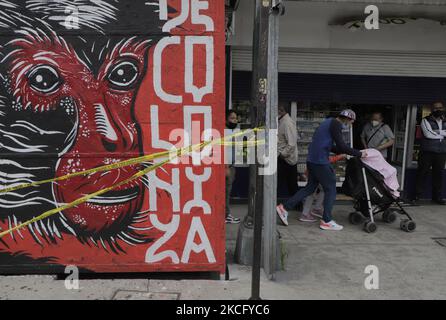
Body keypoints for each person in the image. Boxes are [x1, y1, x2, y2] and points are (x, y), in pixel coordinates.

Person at [276, 109, 367, 231]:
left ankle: (284, 207)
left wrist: (346, 152)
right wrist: (359, 153)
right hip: (320, 161)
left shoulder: (328, 122)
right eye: (351, 122)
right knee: (331, 188)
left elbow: (331, 146)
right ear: (348, 119)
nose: (350, 125)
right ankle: (327, 220)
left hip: (312, 160)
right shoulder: (336, 124)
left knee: (309, 188)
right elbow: (341, 145)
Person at [414, 102, 446, 205]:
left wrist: (436, 132)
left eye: (440, 108)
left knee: (439, 175)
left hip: (441, 152)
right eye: (436, 108)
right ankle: (416, 196)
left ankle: (437, 197)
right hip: (427, 151)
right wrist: (442, 134)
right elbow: (428, 134)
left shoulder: (445, 120)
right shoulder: (425, 120)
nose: (438, 110)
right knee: (422, 173)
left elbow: (433, 133)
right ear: (432, 110)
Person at [299, 154, 346, 222]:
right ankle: (305, 214)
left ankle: (316, 209)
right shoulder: (322, 147)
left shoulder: (318, 147)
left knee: (322, 190)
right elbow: (328, 159)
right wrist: (340, 156)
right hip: (316, 172)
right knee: (311, 193)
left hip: (315, 171)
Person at [277, 103, 299, 197]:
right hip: (284, 158)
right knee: (290, 183)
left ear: (281, 110)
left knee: (291, 184)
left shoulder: (287, 123)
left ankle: (297, 204)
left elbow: (291, 143)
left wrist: (282, 154)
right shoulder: (282, 121)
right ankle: (295, 204)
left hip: (286, 159)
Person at [225, 110, 241, 224]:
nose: (234, 120)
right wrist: (226, 167)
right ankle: (226, 215)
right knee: (226, 192)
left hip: (232, 165)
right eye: (232, 118)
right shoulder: (224, 131)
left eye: (236, 118)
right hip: (227, 166)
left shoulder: (234, 131)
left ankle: (226, 214)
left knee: (227, 191)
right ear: (226, 119)